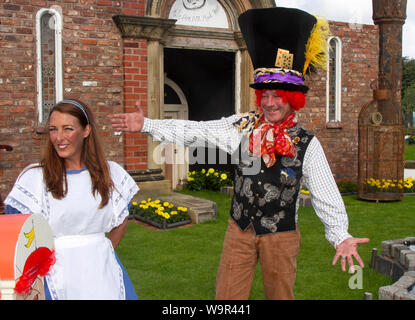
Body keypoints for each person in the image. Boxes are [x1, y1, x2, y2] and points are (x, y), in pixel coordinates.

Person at [111, 7, 369, 300]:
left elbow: (326, 193)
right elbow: (197, 130)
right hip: (240, 229)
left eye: (278, 96)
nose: (270, 103)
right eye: (265, 95)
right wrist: (146, 124)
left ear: (292, 99)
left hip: (281, 235)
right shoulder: (241, 126)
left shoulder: (307, 143)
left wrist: (341, 236)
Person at [5, 99, 139, 300]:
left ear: (86, 131)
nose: (59, 137)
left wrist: (102, 250)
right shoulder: (35, 178)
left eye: (67, 129)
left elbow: (121, 221)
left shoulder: (110, 174)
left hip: (103, 272)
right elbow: (18, 232)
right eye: (53, 129)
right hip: (54, 275)